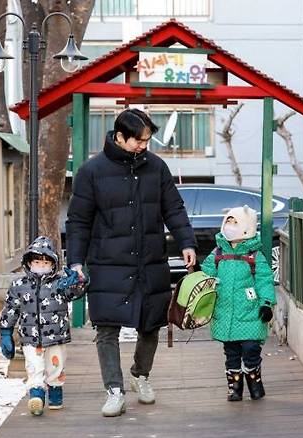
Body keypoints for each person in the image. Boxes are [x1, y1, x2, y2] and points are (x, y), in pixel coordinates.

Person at [66, 108, 197, 417]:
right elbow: (78, 221)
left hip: (150, 261)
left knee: (151, 325)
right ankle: (114, 390)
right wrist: (75, 261)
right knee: (107, 329)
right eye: (138, 140)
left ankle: (140, 375)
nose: (143, 146)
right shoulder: (91, 171)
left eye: (147, 140)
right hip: (107, 263)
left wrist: (187, 242)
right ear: (120, 136)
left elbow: (173, 208)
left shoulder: (157, 168)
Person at [0, 235, 88, 416]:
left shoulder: (60, 284)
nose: (41, 266)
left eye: (46, 263)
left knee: (56, 366)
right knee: (34, 366)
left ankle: (55, 393)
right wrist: (5, 332)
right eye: (37, 262)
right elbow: (11, 309)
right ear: (29, 263)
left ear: (53, 264)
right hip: (30, 337)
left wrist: (79, 282)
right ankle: (36, 396)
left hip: (56, 336)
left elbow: (75, 294)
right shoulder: (18, 285)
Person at [200, 205, 276, 402]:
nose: (230, 227)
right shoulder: (217, 253)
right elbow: (206, 276)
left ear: (247, 227)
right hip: (225, 312)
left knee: (251, 347)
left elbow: (264, 280)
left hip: (251, 312)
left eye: (235, 223)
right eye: (228, 222)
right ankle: (235, 387)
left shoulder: (255, 256)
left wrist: (266, 303)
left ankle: (254, 378)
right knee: (231, 351)